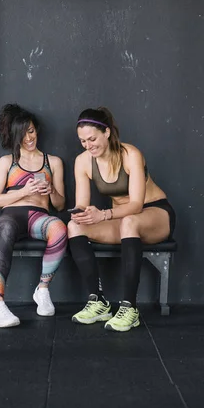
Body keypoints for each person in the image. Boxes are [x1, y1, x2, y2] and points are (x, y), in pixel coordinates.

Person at [68, 107, 175, 332]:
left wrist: (103, 214)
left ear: (107, 132)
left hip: (155, 213)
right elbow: (82, 203)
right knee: (75, 226)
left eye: (92, 139)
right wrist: (80, 213)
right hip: (123, 220)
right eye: (83, 141)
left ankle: (130, 308)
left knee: (129, 221)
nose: (88, 145)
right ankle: (98, 303)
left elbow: (136, 204)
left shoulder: (130, 154)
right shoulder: (82, 162)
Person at [0, 104, 67, 328]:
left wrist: (51, 191)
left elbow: (60, 205)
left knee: (60, 228)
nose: (28, 137)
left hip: (38, 217)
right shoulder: (7, 162)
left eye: (31, 131)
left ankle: (42, 290)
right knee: (8, 228)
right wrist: (23, 191)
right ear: (15, 136)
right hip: (11, 216)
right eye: (23, 133)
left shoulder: (53, 162)